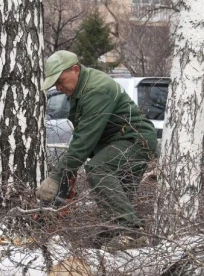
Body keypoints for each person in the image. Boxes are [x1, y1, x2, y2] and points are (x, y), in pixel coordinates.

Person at [36, 50, 158, 248]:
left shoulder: (95, 90)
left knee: (98, 169)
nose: (58, 87)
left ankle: (133, 234)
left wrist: (57, 177)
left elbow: (84, 140)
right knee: (118, 200)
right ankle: (121, 236)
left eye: (60, 80)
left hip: (134, 140)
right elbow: (83, 134)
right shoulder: (79, 89)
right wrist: (68, 177)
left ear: (75, 70)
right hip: (119, 142)